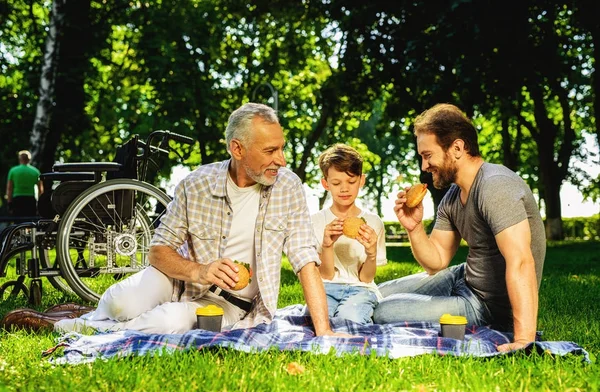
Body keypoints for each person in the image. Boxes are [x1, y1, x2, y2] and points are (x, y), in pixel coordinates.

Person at [2, 103, 347, 337]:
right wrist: (201, 270)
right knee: (124, 302)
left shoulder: (288, 187)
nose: (282, 160)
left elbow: (305, 259)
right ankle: (95, 312)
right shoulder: (195, 184)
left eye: (281, 147)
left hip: (227, 305)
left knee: (165, 322)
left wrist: (325, 331)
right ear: (237, 149)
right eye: (271, 151)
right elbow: (157, 251)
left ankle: (70, 325)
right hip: (177, 279)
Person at [372, 103, 546, 352]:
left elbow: (521, 261)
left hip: (485, 305)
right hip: (462, 277)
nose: (424, 166)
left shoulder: (495, 186)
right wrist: (414, 227)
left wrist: (523, 341)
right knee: (374, 295)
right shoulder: (453, 196)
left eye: (427, 155)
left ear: (457, 147)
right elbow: (436, 261)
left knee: (384, 311)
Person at [311, 144, 387, 324]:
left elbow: (366, 278)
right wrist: (327, 245)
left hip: (361, 288)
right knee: (318, 321)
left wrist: (371, 253)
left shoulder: (373, 222)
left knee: (350, 319)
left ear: (361, 180)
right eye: (336, 183)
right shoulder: (315, 221)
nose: (344, 189)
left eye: (351, 182)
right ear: (325, 184)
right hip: (327, 287)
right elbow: (326, 275)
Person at [6, 150, 43, 217]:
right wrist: (39, 204)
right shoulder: (35, 172)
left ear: (20, 159)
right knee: (29, 223)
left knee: (18, 223)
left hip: (17, 199)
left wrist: (9, 203)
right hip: (30, 200)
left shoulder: (13, 171)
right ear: (29, 159)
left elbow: (9, 188)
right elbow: (40, 190)